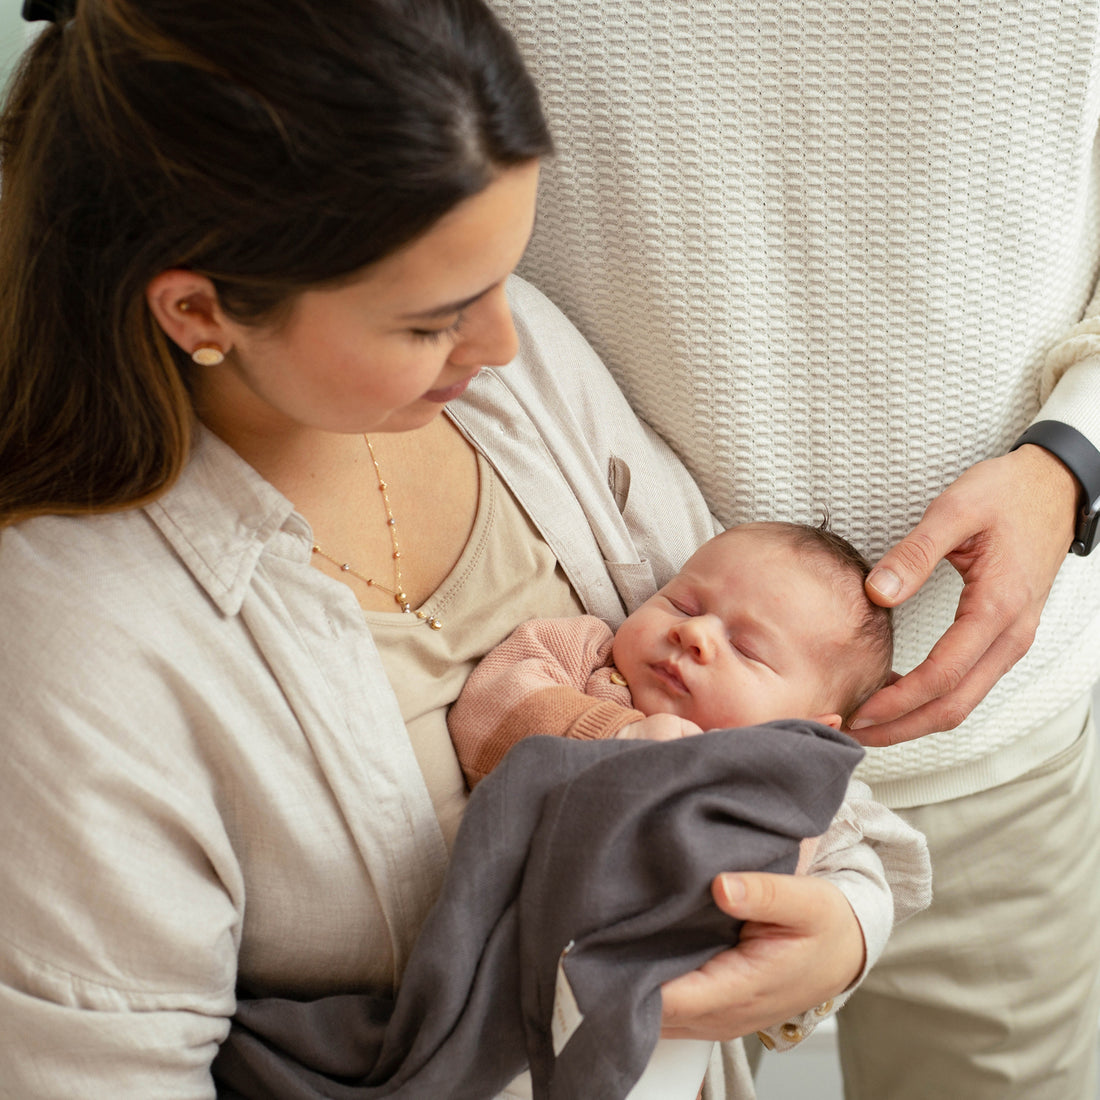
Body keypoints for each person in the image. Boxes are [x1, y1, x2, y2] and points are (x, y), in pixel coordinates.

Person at [0, 2, 902, 1098]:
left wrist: (841, 931)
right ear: (199, 309)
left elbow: (803, 751)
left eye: (504, 277)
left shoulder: (519, 386)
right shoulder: (77, 642)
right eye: (431, 320)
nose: (504, 342)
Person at [485, 4, 1100, 1098]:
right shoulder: (558, 679)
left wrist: (1072, 458)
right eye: (698, 611)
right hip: (584, 731)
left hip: (1000, 742)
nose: (702, 636)